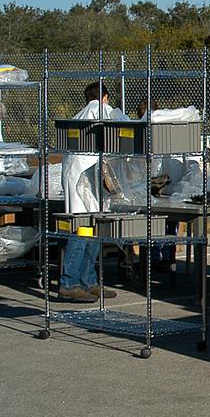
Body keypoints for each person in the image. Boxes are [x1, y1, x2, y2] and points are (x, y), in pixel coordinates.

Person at [59, 82, 130, 302]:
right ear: (105, 97)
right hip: (82, 179)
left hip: (84, 178)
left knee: (93, 229)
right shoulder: (99, 109)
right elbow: (123, 126)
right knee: (82, 231)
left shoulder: (83, 113)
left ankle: (88, 281)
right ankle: (68, 283)